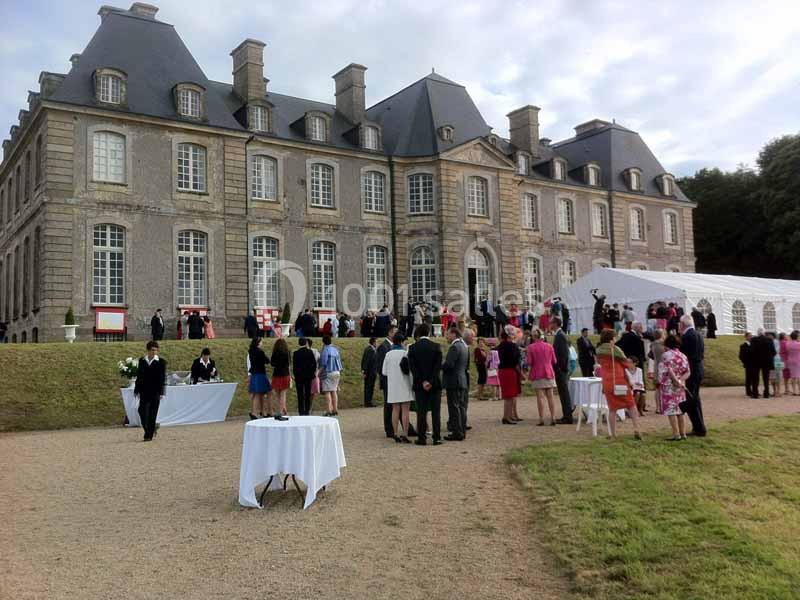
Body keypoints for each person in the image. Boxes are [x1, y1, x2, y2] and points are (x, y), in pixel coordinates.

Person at [595, 329, 642, 440]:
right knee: (631, 405)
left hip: (607, 382)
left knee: (612, 409)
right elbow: (627, 364)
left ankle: (613, 434)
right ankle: (636, 429)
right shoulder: (615, 349)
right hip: (619, 380)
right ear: (611, 338)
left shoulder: (599, 350)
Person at [407, 324, 443, 445]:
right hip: (435, 384)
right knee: (436, 411)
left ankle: (422, 437)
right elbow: (437, 367)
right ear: (428, 333)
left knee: (421, 412)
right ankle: (436, 437)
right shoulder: (436, 346)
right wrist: (431, 381)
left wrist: (423, 381)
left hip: (419, 384)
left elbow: (413, 368)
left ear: (418, 334)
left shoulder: (412, 348)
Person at [381, 333, 414, 443]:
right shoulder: (405, 353)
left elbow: (384, 372)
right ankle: (405, 433)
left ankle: (395, 433)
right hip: (405, 384)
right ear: (401, 342)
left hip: (393, 385)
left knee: (395, 410)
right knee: (405, 411)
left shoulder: (388, 354)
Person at [658, 334, 691, 440]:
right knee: (680, 410)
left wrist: (675, 381)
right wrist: (681, 381)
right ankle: (683, 433)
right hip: (681, 386)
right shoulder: (683, 355)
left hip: (669, 386)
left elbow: (668, 370)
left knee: (671, 410)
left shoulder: (666, 355)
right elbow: (688, 372)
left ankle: (676, 434)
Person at [133, 341, 167, 442]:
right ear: (148, 350)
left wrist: (161, 392)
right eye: (152, 350)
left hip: (155, 391)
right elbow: (139, 376)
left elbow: (162, 378)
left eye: (156, 350)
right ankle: (151, 429)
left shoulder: (161, 362)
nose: (154, 352)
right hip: (144, 391)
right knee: (142, 411)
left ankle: (148, 435)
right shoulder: (142, 361)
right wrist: (136, 389)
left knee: (153, 413)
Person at [679, 314, 706, 436]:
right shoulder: (698, 334)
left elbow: (684, 356)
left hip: (692, 370)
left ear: (683, 324)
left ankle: (699, 428)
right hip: (698, 369)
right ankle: (699, 427)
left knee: (691, 399)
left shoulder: (687, 337)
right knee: (695, 398)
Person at [525, 329, 558, 426]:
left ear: (534, 337)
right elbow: (554, 361)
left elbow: (530, 362)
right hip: (549, 372)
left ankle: (541, 418)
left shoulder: (530, 347)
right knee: (551, 397)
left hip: (537, 372)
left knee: (540, 397)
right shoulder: (549, 346)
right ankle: (553, 417)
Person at [442, 327, 469, 441]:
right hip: (462, 379)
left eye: (447, 334)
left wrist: (440, 364)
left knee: (454, 407)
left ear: (453, 334)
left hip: (454, 381)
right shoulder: (464, 346)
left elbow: (449, 365)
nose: (446, 337)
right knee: (461, 407)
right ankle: (461, 430)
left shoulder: (454, 347)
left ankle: (457, 432)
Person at [550, 317, 573, 424]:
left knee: (564, 393)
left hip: (561, 369)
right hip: (561, 369)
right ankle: (566, 415)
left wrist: (560, 368)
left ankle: (567, 416)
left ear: (555, 323)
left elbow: (563, 355)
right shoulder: (559, 335)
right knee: (563, 393)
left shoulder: (560, 336)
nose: (550, 325)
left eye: (551, 323)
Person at [496, 330, 522, 425]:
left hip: (502, 371)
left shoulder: (499, 346)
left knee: (507, 395)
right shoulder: (512, 346)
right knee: (510, 396)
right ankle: (507, 417)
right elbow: (517, 359)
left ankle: (508, 415)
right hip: (510, 370)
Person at [377, 325, 398, 438]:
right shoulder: (383, 347)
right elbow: (380, 367)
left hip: (393, 380)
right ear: (390, 333)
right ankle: (388, 429)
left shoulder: (392, 346)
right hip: (387, 381)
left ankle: (395, 427)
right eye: (395, 332)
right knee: (388, 405)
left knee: (395, 405)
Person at [248, 336, 273, 419]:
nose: (262, 343)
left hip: (254, 373)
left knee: (257, 393)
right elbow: (267, 361)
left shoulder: (251, 351)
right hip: (260, 373)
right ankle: (255, 412)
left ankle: (256, 411)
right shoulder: (260, 352)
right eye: (261, 342)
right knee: (261, 393)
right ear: (258, 343)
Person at [319, 335, 343, 416]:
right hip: (337, 372)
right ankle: (335, 409)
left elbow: (323, 363)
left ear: (323, 342)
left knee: (327, 391)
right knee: (334, 391)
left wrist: (318, 373)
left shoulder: (325, 350)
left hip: (328, 372)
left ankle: (329, 410)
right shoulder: (335, 349)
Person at [293, 338, 317, 415]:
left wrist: (295, 375)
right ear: (306, 343)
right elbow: (314, 364)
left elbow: (295, 366)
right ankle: (307, 410)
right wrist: (312, 373)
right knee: (307, 394)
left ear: (299, 343)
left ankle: (301, 411)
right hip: (308, 376)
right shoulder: (310, 352)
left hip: (299, 376)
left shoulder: (296, 353)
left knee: (300, 394)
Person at [750, 329, 776, 398]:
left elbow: (751, 351)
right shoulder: (769, 340)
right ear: (764, 333)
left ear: (757, 333)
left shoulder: (753, 340)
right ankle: (766, 393)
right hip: (767, 362)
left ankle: (755, 394)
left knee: (755, 378)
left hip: (756, 361)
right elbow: (773, 352)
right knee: (766, 378)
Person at [270, 338, 291, 415]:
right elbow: (289, 364)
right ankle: (282, 410)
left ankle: (280, 410)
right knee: (283, 394)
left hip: (276, 374)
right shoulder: (287, 352)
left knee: (278, 395)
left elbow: (272, 363)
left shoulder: (275, 352)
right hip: (285, 374)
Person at [648, 329, 666, 413]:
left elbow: (650, 355)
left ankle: (658, 407)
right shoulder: (664, 344)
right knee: (665, 387)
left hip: (656, 366)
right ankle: (664, 406)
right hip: (665, 367)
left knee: (657, 388)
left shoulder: (652, 345)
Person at [739, 332, 758, 398]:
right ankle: (748, 392)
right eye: (749, 336)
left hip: (755, 364)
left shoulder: (755, 345)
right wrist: (745, 362)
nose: (751, 337)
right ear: (746, 337)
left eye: (751, 336)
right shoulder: (743, 346)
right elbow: (741, 356)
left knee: (755, 378)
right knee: (748, 378)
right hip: (748, 364)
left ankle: (755, 391)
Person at [361, 337, 378, 407]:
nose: (377, 343)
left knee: (370, 387)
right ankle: (368, 402)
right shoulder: (370, 350)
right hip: (370, 372)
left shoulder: (371, 349)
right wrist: (364, 371)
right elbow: (366, 361)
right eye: (376, 342)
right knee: (368, 387)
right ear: (373, 342)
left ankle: (368, 401)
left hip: (372, 372)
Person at [307, 338, 321, 409]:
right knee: (312, 393)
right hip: (314, 374)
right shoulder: (316, 352)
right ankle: (309, 407)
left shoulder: (315, 352)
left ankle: (309, 406)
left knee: (310, 392)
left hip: (311, 374)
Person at [785, 331, 800, 396]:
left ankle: (794, 391)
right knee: (798, 377)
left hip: (790, 360)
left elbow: (787, 351)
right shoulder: (798, 344)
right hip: (797, 360)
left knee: (793, 376)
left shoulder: (787, 344)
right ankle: (799, 390)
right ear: (797, 337)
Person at [769, 332, 783, 398]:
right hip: (777, 359)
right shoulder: (775, 342)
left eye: (769, 335)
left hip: (775, 360)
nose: (768, 336)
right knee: (776, 376)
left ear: (772, 335)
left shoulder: (775, 342)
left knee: (775, 376)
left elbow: (777, 351)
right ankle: (777, 391)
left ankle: (776, 391)